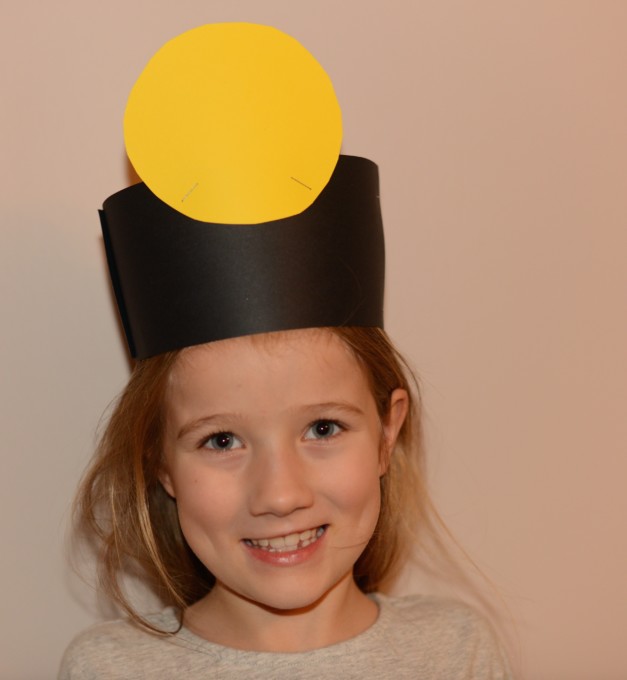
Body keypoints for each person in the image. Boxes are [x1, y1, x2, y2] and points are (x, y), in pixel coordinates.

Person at [59, 23, 513, 679]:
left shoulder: (457, 653)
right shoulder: (111, 668)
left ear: (388, 432)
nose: (279, 493)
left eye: (322, 427)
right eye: (220, 440)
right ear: (159, 460)